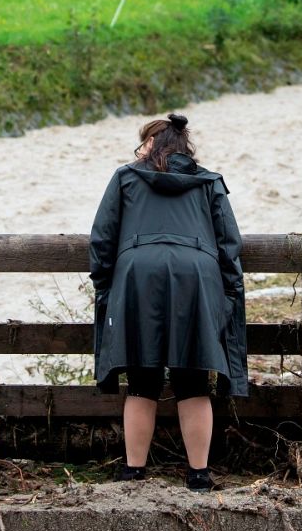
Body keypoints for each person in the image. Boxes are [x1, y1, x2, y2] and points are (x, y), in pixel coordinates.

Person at [88, 113, 246, 491]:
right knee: (193, 380)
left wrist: (106, 289)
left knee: (142, 380)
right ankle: (199, 475)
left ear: (150, 144)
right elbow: (229, 245)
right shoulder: (209, 182)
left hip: (138, 278)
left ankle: (134, 471)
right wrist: (228, 295)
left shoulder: (125, 178)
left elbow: (102, 240)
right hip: (196, 278)